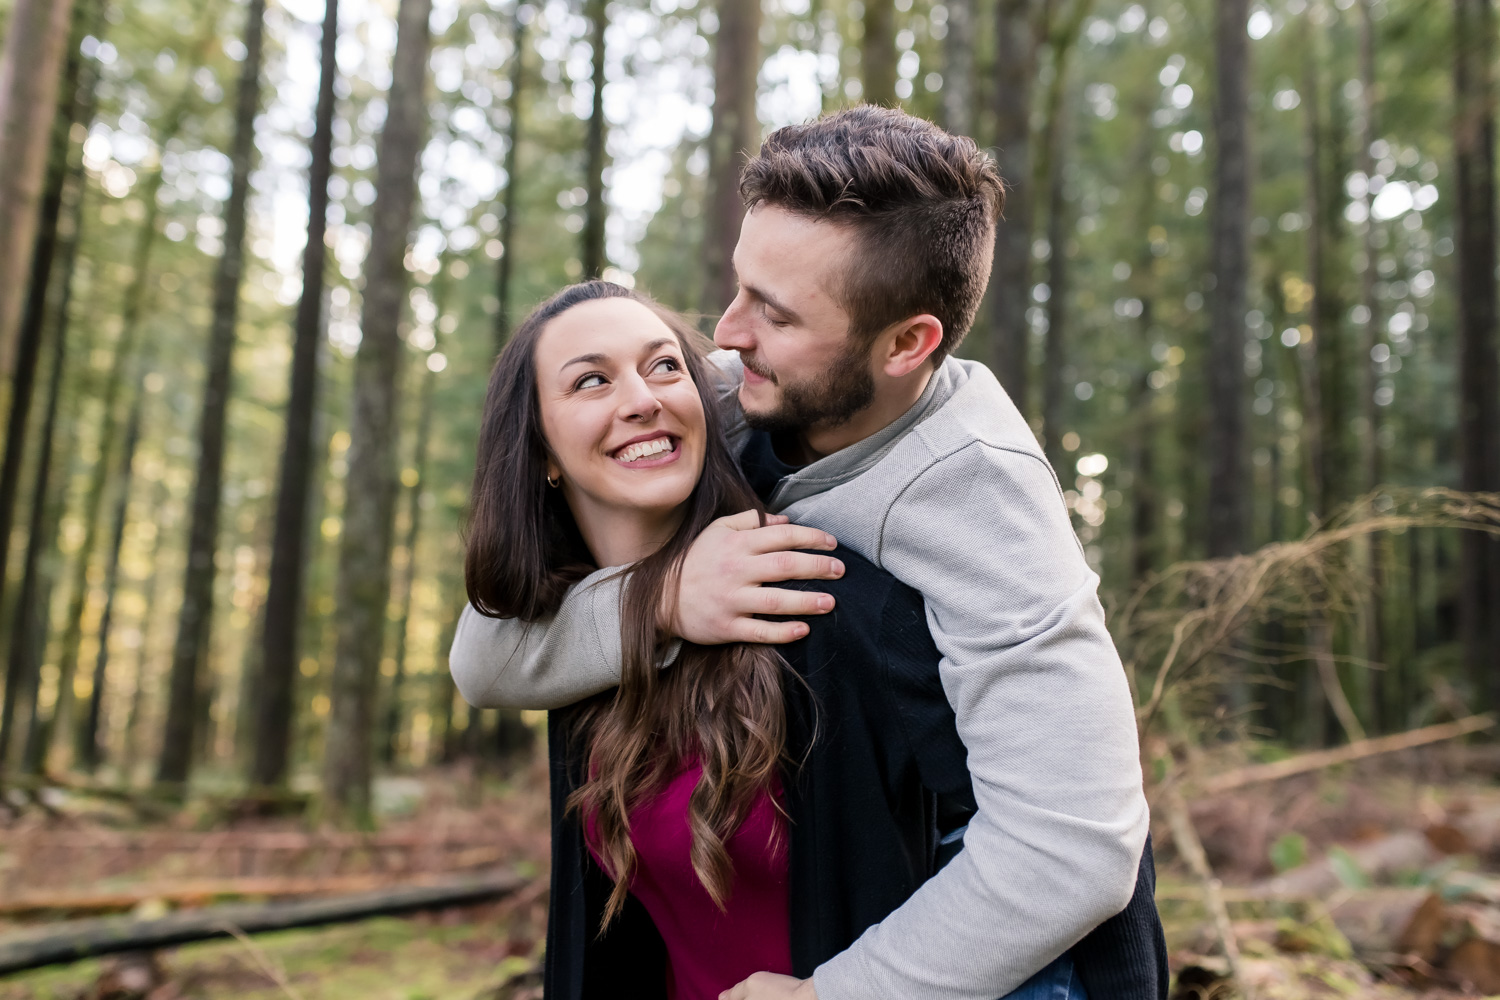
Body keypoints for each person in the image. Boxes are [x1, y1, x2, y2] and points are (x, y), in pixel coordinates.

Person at [453, 106, 1163, 1000]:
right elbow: (487, 656)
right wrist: (662, 600)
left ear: (908, 344)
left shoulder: (981, 500)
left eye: (776, 313)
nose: (727, 334)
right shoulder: (727, 392)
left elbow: (1078, 844)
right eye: (739, 285)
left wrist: (837, 994)